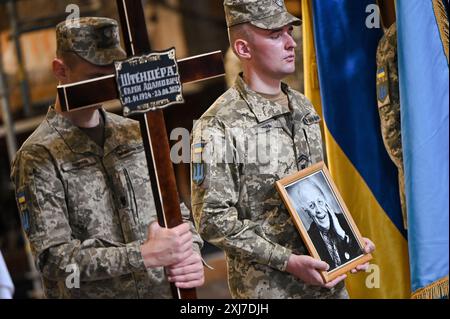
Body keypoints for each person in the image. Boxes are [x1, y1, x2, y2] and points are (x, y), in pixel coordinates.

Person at [191, 0, 375, 298]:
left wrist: (348, 241)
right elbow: (211, 220)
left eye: (289, 31)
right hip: (271, 290)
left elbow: (317, 190)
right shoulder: (217, 124)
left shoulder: (302, 105)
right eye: (276, 35)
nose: (291, 43)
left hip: (329, 284)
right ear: (243, 50)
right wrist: (287, 261)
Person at [10, 17, 204, 298]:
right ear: (60, 70)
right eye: (93, 77)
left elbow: (176, 211)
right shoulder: (38, 156)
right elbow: (53, 259)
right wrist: (143, 255)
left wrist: (191, 254)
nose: (107, 85)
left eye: (112, 74)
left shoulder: (135, 132)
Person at [296, 181, 362, 270]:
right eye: (311, 206)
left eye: (320, 201)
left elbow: (359, 254)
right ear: (306, 210)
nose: (318, 210)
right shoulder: (308, 238)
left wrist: (342, 234)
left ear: (325, 199)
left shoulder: (345, 220)